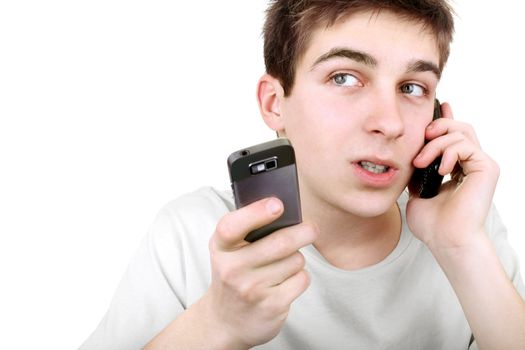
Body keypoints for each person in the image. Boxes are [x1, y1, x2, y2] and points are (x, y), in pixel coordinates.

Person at [80, 1, 525, 349]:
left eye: (412, 88)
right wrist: (217, 324)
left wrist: (460, 247)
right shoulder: (190, 232)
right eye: (345, 78)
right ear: (276, 103)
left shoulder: (466, 226)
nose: (389, 122)